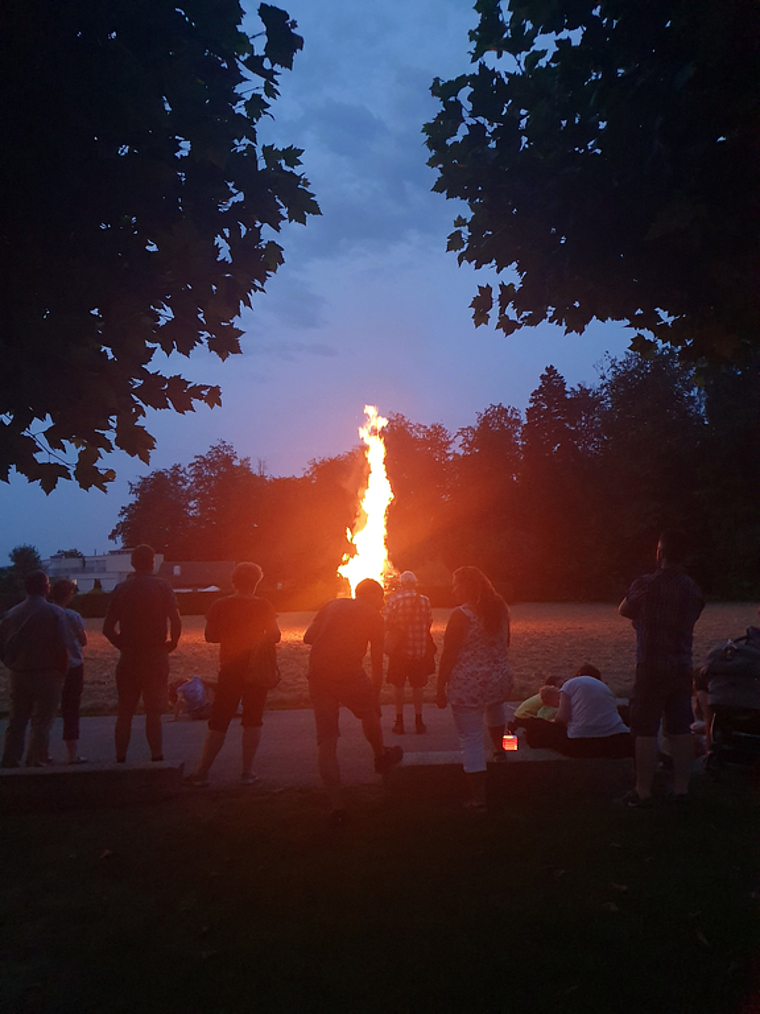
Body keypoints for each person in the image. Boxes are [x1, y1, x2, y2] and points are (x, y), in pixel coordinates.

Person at [304, 578, 403, 825]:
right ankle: (380, 755)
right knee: (369, 713)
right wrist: (375, 692)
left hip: (318, 674)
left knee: (327, 741)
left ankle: (337, 808)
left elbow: (308, 637)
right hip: (349, 673)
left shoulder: (332, 604)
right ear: (376, 597)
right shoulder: (374, 616)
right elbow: (377, 659)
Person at [618, 529, 704, 806]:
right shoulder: (692, 588)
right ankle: (681, 790)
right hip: (682, 665)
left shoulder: (646, 584)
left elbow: (624, 609)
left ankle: (643, 790)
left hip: (652, 666)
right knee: (680, 728)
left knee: (644, 729)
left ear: (661, 553)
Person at [185, 563, 280, 786]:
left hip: (230, 668)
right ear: (257, 581)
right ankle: (247, 772)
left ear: (233, 581)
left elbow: (210, 636)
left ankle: (202, 772)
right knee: (253, 720)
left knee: (219, 720)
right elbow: (275, 635)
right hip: (257, 669)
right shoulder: (264, 605)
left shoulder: (220, 604)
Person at [436, 566, 512, 811]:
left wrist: (439, 687)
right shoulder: (500, 609)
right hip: (499, 678)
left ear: (466, 587)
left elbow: (449, 654)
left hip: (468, 684)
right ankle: (502, 751)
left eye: (456, 585)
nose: (453, 590)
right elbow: (506, 643)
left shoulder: (461, 615)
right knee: (497, 711)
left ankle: (479, 799)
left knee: (470, 740)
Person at [103, 544, 181, 763]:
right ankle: (156, 757)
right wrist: (171, 643)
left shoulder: (121, 589)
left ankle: (120, 757)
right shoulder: (162, 587)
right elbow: (175, 619)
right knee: (154, 711)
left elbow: (108, 628)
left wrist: (123, 646)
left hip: (129, 656)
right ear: (153, 561)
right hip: (155, 654)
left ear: (132, 563)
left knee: (125, 712)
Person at [0, 570, 69, 767]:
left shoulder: (12, 613)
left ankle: (10, 758)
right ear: (46, 588)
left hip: (19, 672)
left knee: (17, 719)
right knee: (42, 721)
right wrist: (61, 672)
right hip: (47, 672)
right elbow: (62, 646)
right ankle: (36, 758)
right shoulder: (54, 612)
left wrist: (10, 662)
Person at [522, 664, 632, 757]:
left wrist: (552, 722)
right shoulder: (605, 688)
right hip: (615, 742)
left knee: (535, 724)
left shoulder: (570, 684)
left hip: (581, 744)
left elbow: (561, 719)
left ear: (578, 675)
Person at [384, 570, 434, 734]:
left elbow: (386, 622)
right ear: (415, 583)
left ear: (402, 584)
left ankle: (399, 722)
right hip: (419, 651)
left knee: (398, 687)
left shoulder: (394, 600)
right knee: (418, 687)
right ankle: (419, 721)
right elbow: (428, 623)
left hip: (399, 652)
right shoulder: (425, 601)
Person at [49, 578, 88, 764]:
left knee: (46, 709)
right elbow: (83, 640)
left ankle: (41, 750)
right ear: (69, 595)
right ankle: (71, 754)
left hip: (51, 666)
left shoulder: (47, 613)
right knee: (71, 708)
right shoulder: (73, 615)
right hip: (73, 667)